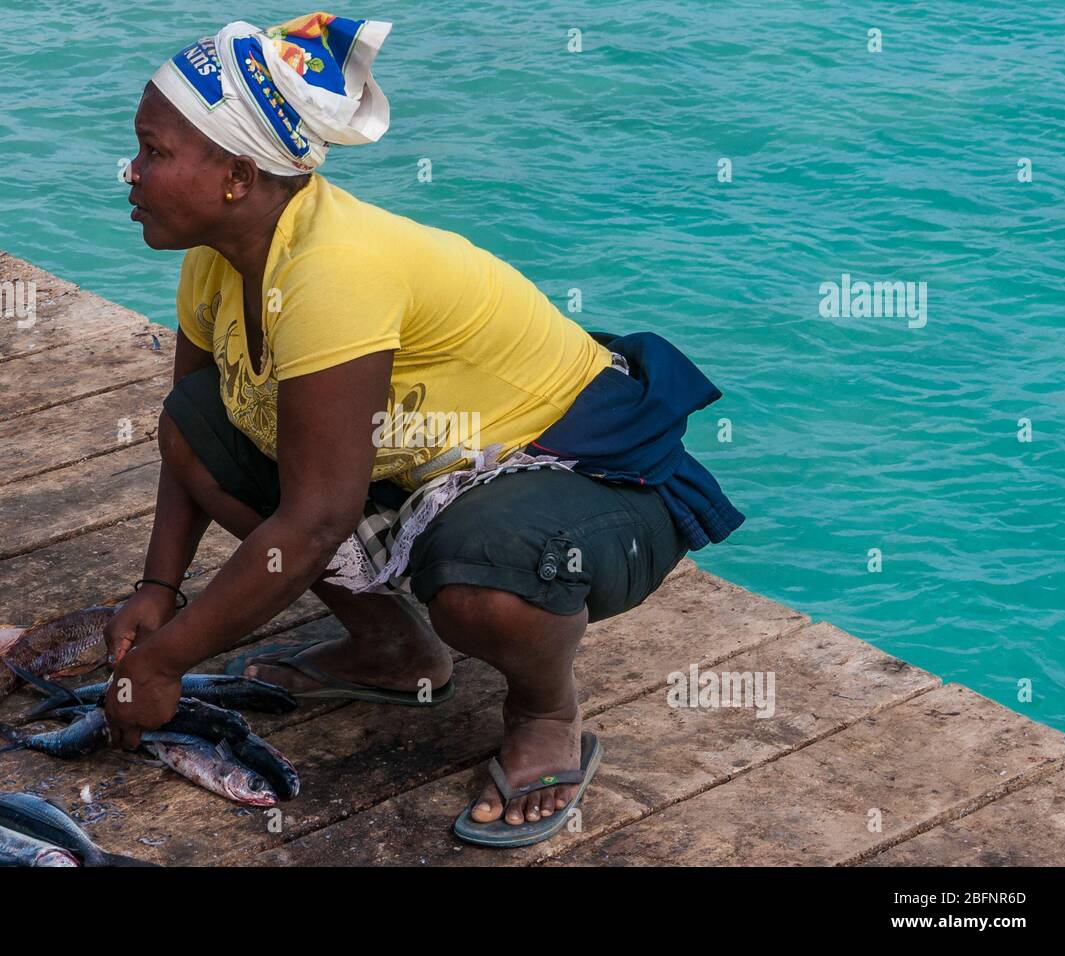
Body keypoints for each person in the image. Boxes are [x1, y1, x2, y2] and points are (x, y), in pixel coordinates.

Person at [103, 12, 743, 847]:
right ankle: (389, 650)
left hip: (589, 477)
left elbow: (318, 517)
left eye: (153, 151)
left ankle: (545, 711)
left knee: (479, 588)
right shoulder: (216, 255)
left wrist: (163, 663)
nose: (130, 171)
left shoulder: (332, 272)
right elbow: (190, 428)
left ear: (233, 173)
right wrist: (159, 590)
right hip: (425, 465)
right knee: (197, 429)